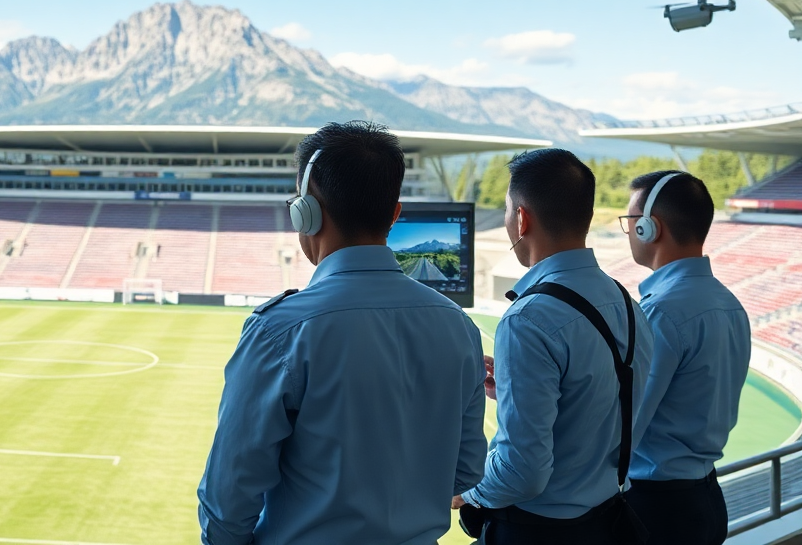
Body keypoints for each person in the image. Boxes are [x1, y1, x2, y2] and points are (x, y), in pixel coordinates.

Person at [198, 121, 487, 545]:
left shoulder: (280, 330)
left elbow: (229, 497)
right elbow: (464, 472)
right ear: (394, 214)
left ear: (305, 212)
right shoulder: (458, 325)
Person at [453, 148, 653, 544]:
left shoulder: (529, 318)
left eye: (509, 211)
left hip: (538, 532)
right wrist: (512, 390)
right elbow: (604, 405)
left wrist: (465, 493)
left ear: (522, 218)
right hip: (606, 522)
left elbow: (522, 472)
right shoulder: (627, 304)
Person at [620, 171, 750, 545]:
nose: (628, 232)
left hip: (657, 509)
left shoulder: (662, 312)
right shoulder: (730, 303)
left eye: (630, 222)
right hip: (704, 497)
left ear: (649, 228)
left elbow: (626, 426)